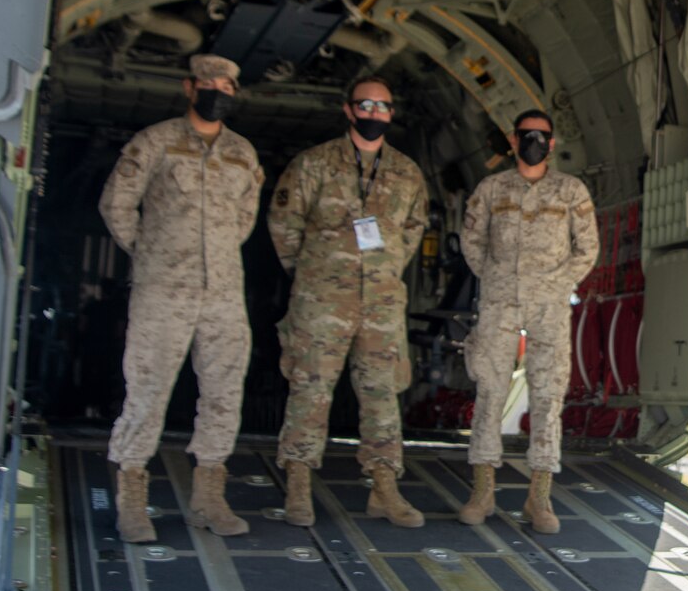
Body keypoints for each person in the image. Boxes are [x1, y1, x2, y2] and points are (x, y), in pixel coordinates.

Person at [98, 53, 263, 543]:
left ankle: (209, 497)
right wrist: (149, 253)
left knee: (223, 392)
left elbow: (245, 217)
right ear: (190, 87)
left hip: (223, 292)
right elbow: (117, 204)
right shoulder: (155, 141)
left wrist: (216, 253)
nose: (219, 90)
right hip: (163, 290)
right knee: (147, 390)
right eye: (210, 82)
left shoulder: (242, 153)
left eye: (228, 85)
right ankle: (132, 499)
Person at [269, 77, 429, 529]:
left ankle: (384, 488)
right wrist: (312, 274)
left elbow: (412, 229)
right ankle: (298, 487)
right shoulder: (314, 164)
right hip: (322, 301)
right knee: (310, 389)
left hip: (380, 303)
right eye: (366, 104)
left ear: (391, 114)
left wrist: (385, 267)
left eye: (383, 106)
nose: (374, 113)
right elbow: (285, 223)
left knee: (382, 395)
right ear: (348, 109)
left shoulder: (407, 172)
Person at [456, 109, 600, 534]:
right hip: (501, 303)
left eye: (541, 136)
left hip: (549, 306)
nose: (534, 141)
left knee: (547, 395)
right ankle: (482, 492)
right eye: (526, 135)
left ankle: (539, 498)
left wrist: (557, 283)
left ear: (551, 143)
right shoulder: (491, 188)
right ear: (514, 139)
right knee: (489, 391)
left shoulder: (570, 190)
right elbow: (472, 240)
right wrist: (497, 278)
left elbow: (587, 247)